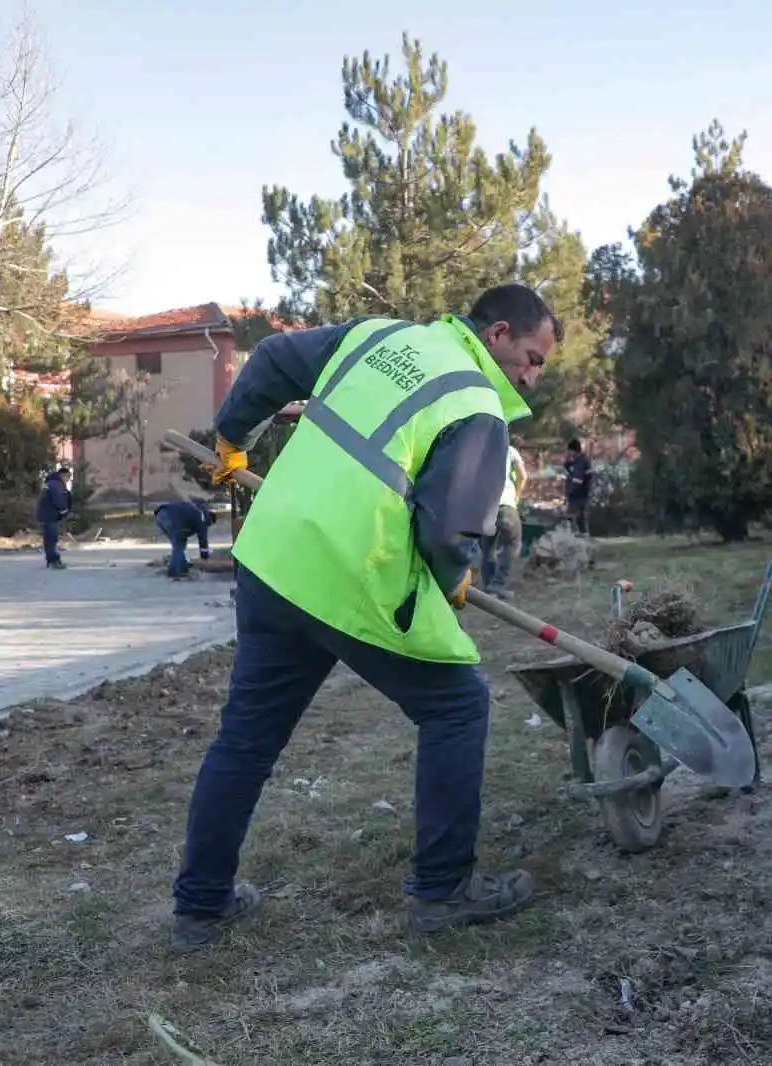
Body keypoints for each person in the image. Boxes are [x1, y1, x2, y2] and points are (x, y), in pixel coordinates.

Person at [169, 283, 559, 952]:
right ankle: (442, 891)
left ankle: (200, 906)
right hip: (352, 573)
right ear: (496, 335)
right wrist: (454, 576)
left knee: (246, 739)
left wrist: (233, 436)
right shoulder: (476, 403)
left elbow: (269, 361)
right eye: (532, 357)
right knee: (458, 706)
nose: (532, 375)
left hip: (272, 559)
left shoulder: (379, 336)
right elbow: (444, 535)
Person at [479, 444, 526, 600]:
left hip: (485, 507)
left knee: (487, 547)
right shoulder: (509, 450)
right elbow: (523, 476)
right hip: (505, 504)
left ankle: (488, 585)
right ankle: (498, 584)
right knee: (512, 544)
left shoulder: (478, 451)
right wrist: (517, 497)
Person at [155, 499, 217, 579]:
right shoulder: (203, 518)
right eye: (209, 525)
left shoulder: (197, 510)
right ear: (210, 520)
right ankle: (173, 572)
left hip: (161, 515)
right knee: (179, 546)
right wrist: (205, 558)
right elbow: (203, 539)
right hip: (171, 518)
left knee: (180, 544)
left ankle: (183, 569)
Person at [35, 466, 73, 570]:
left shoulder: (51, 483)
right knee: (52, 539)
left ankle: (51, 561)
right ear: (62, 475)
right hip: (50, 515)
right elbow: (58, 499)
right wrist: (64, 510)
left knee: (49, 539)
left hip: (46, 515)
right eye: (68, 477)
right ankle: (54, 561)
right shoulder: (56, 484)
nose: (68, 480)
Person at [561, 438, 592, 536]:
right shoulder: (579, 460)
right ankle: (580, 533)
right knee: (578, 517)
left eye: (569, 450)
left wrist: (569, 492)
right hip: (580, 494)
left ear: (573, 450)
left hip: (578, 494)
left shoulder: (581, 462)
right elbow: (567, 466)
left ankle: (580, 535)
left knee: (575, 516)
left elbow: (578, 480)